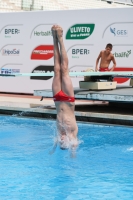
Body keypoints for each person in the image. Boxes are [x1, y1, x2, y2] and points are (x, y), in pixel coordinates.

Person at [51, 25, 78, 151]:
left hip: (57, 99)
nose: (61, 141)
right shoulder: (72, 136)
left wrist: (53, 149)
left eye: (60, 143)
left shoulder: (58, 134)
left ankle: (54, 38)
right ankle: (60, 38)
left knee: (56, 70)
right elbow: (74, 147)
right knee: (64, 70)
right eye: (63, 143)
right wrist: (72, 153)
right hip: (68, 100)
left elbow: (54, 145)